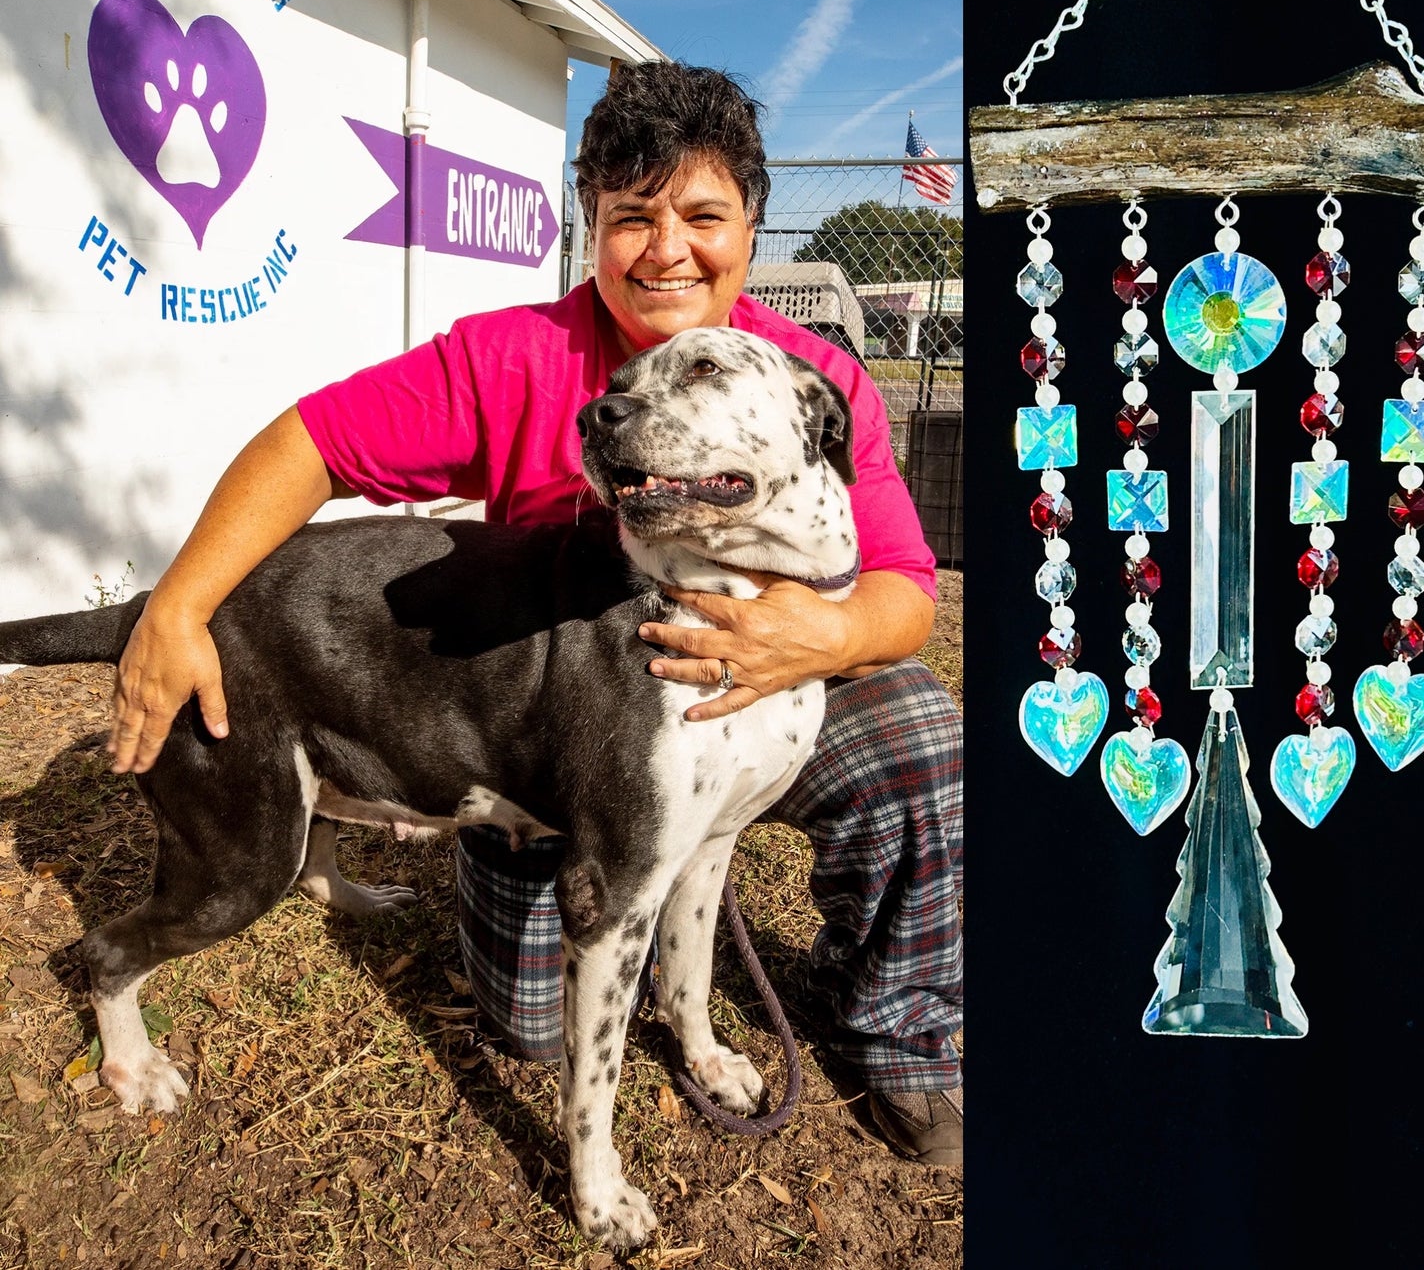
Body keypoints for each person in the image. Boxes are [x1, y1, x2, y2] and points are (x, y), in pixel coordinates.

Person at [107, 61, 962, 1166]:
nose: (665, 248)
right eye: (627, 217)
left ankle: (895, 1032)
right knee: (529, 1022)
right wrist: (174, 608)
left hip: (781, 679)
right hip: (562, 720)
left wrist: (825, 635)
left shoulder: (810, 380)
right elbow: (305, 446)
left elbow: (904, 590)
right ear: (591, 228)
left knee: (919, 744)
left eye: (700, 214)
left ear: (749, 224)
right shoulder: (516, 357)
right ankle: (497, 829)